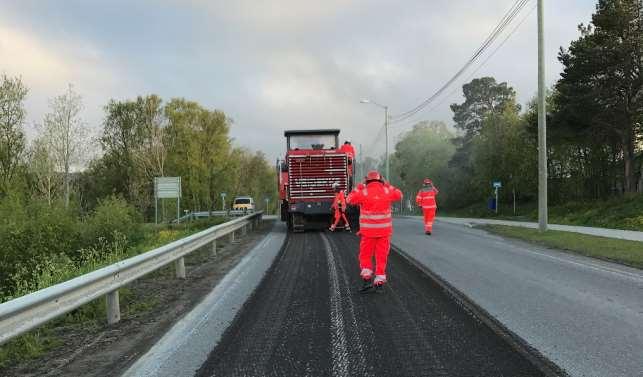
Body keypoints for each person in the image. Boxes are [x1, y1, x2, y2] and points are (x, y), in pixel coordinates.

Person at [347, 170, 402, 292]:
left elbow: (349, 199)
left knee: (365, 256)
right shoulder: (387, 191)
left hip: (368, 233)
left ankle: (367, 280)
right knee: (381, 256)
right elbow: (399, 195)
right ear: (380, 180)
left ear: (367, 181)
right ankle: (379, 283)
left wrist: (359, 187)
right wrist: (388, 185)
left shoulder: (363, 192)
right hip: (384, 232)